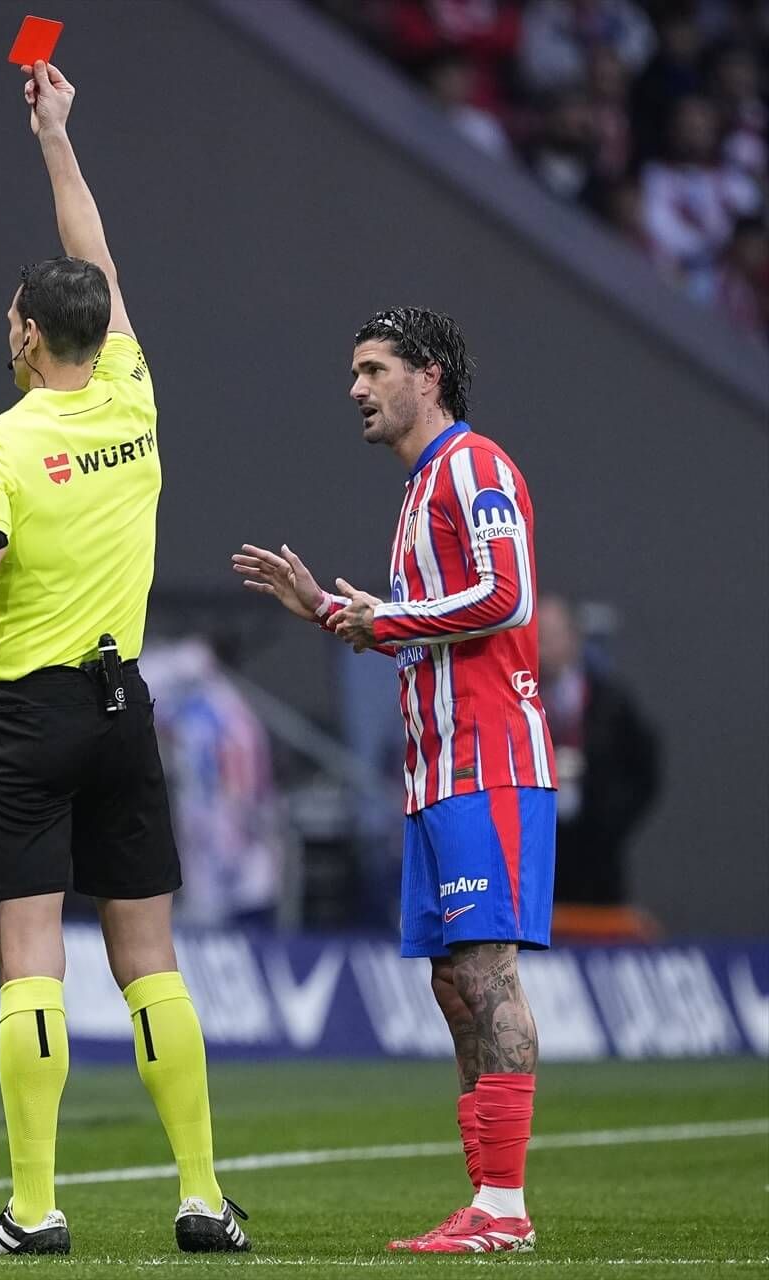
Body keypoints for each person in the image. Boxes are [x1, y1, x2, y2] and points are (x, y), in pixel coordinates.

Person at [0, 61, 248, 1258]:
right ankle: (202, 1192)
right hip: (121, 703)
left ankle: (36, 1208)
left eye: (12, 317)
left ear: (30, 333)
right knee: (150, 959)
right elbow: (98, 256)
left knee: (28, 959)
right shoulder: (134, 397)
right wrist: (58, 140)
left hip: (20, 717)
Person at [233, 306, 553, 1254]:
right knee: (453, 985)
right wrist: (331, 612)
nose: (356, 389)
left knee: (488, 975)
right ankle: (486, 1201)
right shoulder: (418, 492)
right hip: (434, 773)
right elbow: (411, 627)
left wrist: (383, 620)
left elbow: (507, 596)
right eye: (355, 372)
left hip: (487, 765)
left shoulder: (474, 468)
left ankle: (506, 1208)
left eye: (374, 369)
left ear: (430, 377)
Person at [540, 596, 660, 907]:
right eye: (535, 638)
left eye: (550, 637)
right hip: (536, 860)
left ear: (572, 639)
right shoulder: (515, 703)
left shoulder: (611, 702)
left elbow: (644, 772)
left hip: (599, 863)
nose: (542, 648)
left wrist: (609, 819)